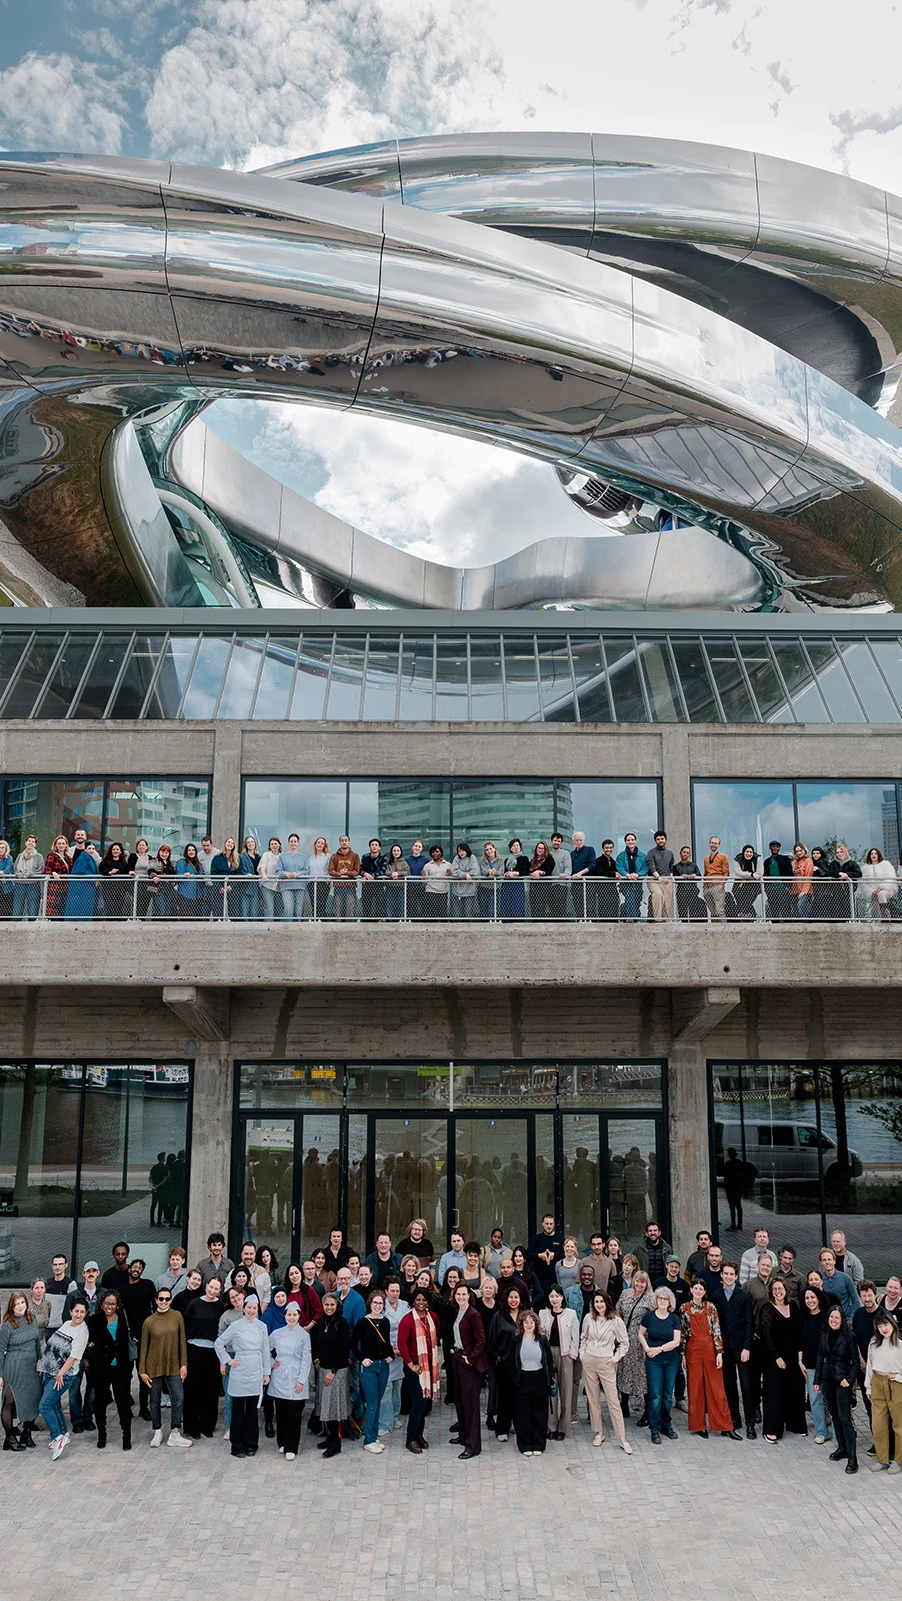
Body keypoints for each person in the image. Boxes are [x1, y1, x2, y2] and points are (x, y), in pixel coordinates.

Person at [215, 1294, 271, 1459]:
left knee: (252, 1412)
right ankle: (237, 1445)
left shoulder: (262, 1326)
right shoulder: (235, 1325)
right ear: (244, 1308)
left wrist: (266, 1372)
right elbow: (219, 1343)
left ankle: (251, 1444)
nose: (252, 1311)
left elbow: (266, 1351)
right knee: (238, 1411)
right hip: (240, 1371)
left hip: (255, 1370)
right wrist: (227, 1360)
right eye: (249, 1307)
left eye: (255, 1308)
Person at [680, 1280, 737, 1439]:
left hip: (710, 1348)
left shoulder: (710, 1307)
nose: (698, 1291)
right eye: (695, 1288)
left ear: (705, 1291)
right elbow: (683, 1333)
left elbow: (717, 1330)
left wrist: (719, 1352)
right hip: (692, 1350)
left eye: (701, 1289)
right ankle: (698, 1426)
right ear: (691, 1290)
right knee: (695, 1388)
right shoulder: (684, 1308)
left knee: (717, 1389)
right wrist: (683, 1354)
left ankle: (725, 1426)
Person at [138, 1285, 191, 1450]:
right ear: (156, 1300)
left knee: (178, 1398)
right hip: (153, 1366)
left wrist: (184, 1364)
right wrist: (141, 1371)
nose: (164, 1301)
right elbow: (143, 1347)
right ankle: (157, 1430)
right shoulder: (149, 1321)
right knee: (154, 1400)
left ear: (171, 1300)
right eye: (161, 1298)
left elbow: (182, 1342)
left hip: (174, 1364)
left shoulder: (177, 1316)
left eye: (167, 1298)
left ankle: (175, 1432)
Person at [579, 1291, 631, 1451]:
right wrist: (582, 1354)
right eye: (596, 1302)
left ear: (607, 1302)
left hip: (606, 1362)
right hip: (589, 1361)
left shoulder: (616, 1321)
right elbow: (584, 1337)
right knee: (593, 1399)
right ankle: (599, 1432)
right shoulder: (589, 1318)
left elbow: (624, 1342)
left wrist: (615, 1359)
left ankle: (622, 1438)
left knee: (613, 1400)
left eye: (602, 1301)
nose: (599, 1304)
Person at [38, 1298, 89, 1460]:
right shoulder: (67, 1324)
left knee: (44, 1406)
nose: (78, 1314)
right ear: (71, 1311)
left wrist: (60, 1373)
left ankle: (56, 1437)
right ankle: (64, 1434)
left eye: (82, 1312)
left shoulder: (82, 1332)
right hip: (51, 1371)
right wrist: (44, 1366)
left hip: (64, 1375)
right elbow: (53, 1346)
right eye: (76, 1311)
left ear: (85, 1313)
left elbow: (74, 1357)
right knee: (53, 1404)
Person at [712, 1261, 756, 1439]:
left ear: (736, 1276)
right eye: (726, 1274)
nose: (729, 1277)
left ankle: (750, 1424)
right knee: (729, 1385)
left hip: (741, 1348)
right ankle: (734, 1419)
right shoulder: (716, 1296)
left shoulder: (743, 1296)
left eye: (732, 1274)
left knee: (746, 1385)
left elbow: (749, 1323)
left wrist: (747, 1347)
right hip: (725, 1349)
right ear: (721, 1275)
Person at [85, 1290, 132, 1451]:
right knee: (100, 1400)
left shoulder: (125, 1318)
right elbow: (87, 1340)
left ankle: (127, 1434)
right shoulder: (94, 1319)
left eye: (112, 1304)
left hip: (121, 1365)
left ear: (117, 1304)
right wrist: (89, 1353)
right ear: (102, 1304)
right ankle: (102, 1433)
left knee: (123, 1400)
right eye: (107, 1303)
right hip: (101, 1366)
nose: (109, 1307)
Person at [760, 1279, 806, 1442]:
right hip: (774, 1357)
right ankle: (772, 1428)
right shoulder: (767, 1309)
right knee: (774, 1392)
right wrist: (777, 1357)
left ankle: (795, 1424)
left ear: (786, 1290)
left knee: (795, 1389)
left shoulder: (793, 1306)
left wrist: (800, 1358)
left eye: (780, 1288)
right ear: (771, 1292)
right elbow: (766, 1336)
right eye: (775, 1289)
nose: (778, 1291)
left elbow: (800, 1332)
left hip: (793, 1356)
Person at [814, 1304, 859, 1472]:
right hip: (828, 1379)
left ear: (842, 1320)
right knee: (834, 1415)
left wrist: (849, 1379)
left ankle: (853, 1457)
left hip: (842, 1381)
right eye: (831, 1317)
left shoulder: (849, 1336)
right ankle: (842, 1448)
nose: (833, 1320)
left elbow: (855, 1361)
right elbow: (820, 1355)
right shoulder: (825, 1333)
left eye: (837, 1318)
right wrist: (817, 1379)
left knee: (845, 1418)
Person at [397, 1289, 441, 1455]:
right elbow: (401, 1344)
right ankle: (411, 1438)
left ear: (428, 1301)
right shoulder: (407, 1320)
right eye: (418, 1299)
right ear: (413, 1301)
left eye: (424, 1299)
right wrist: (411, 1365)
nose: (421, 1302)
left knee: (425, 1403)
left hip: (429, 1366)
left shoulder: (433, 1317)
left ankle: (419, 1434)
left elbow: (437, 1332)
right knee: (419, 1403)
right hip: (414, 1367)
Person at [268, 1300, 312, 1460]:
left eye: (294, 1314)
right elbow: (265, 1349)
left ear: (299, 1316)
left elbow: (307, 1359)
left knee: (294, 1413)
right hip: (279, 1376)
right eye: (289, 1314)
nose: (291, 1317)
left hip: (296, 1376)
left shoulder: (304, 1335)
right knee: (280, 1413)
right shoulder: (277, 1333)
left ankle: (291, 1446)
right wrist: (272, 1363)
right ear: (285, 1315)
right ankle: (282, 1443)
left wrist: (301, 1380)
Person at [351, 1288, 393, 1453]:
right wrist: (362, 1358)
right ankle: (368, 1439)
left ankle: (374, 1436)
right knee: (373, 1403)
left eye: (380, 1303)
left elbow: (386, 1343)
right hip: (368, 1367)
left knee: (378, 1402)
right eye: (375, 1302)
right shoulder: (363, 1322)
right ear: (370, 1304)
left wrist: (391, 1355)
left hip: (383, 1366)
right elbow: (353, 1343)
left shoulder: (385, 1321)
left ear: (383, 1305)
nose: (377, 1305)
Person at [182, 1275, 224, 1439]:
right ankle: (192, 1426)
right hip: (194, 1349)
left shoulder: (220, 1306)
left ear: (220, 1291)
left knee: (210, 1390)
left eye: (216, 1288)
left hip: (212, 1352)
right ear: (206, 1286)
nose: (213, 1290)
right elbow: (186, 1326)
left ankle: (207, 1426)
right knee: (193, 1389)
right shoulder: (194, 1304)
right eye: (211, 1287)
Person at [310, 1292, 351, 1459]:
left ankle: (336, 1443)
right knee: (325, 1406)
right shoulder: (320, 1323)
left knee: (334, 1407)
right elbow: (314, 1344)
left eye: (332, 1305)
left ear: (337, 1306)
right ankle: (330, 1437)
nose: (329, 1307)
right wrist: (316, 1360)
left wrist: (333, 1371)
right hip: (323, 1370)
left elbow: (344, 1348)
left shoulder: (342, 1323)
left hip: (337, 1371)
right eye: (326, 1304)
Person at [639, 1286, 682, 1444]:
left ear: (670, 1301)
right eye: (660, 1298)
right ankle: (654, 1428)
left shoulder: (674, 1319)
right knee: (655, 1396)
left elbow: (676, 1341)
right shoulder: (649, 1317)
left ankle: (666, 1425)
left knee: (666, 1396)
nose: (663, 1301)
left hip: (670, 1360)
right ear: (656, 1300)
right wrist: (647, 1348)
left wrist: (659, 1349)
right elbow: (640, 1334)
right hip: (653, 1362)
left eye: (665, 1299)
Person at [0, 1292, 42, 1452]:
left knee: (32, 1398)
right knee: (9, 1401)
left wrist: (40, 1359)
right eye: (16, 1304)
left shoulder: (32, 1319)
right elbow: (0, 1350)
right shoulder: (6, 1325)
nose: (20, 1306)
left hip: (31, 1366)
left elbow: (37, 1342)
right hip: (13, 1367)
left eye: (22, 1303)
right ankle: (10, 1438)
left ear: (26, 1303)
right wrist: (0, 1374)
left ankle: (27, 1433)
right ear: (11, 1306)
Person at [450, 1283, 487, 1459]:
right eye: (458, 1294)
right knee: (460, 1400)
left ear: (469, 1296)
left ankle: (473, 1446)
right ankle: (463, 1436)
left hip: (468, 1362)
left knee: (471, 1404)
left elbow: (481, 1340)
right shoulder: (457, 1311)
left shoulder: (474, 1314)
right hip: (457, 1357)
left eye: (464, 1294)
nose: (461, 1297)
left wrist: (470, 1358)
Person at [511, 1308, 554, 1455]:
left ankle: (539, 1444)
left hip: (540, 1378)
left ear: (536, 1324)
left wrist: (551, 1378)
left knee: (540, 1413)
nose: (529, 1325)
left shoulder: (542, 1340)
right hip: (523, 1378)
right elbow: (511, 1360)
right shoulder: (516, 1340)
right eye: (525, 1322)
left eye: (531, 1322)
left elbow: (549, 1359)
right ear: (521, 1325)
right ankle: (525, 1444)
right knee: (523, 1413)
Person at [539, 1285, 579, 1440]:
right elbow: (540, 1334)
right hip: (548, 1355)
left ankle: (563, 1427)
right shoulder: (543, 1314)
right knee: (551, 1391)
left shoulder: (571, 1314)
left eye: (557, 1296)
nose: (554, 1299)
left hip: (565, 1354)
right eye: (551, 1296)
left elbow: (576, 1335)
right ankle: (551, 1426)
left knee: (566, 1391)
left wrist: (572, 1354)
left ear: (562, 1297)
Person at [865, 1311, 902, 1474]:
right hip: (877, 1382)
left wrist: (899, 1376)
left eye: (886, 1324)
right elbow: (869, 1366)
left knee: (898, 1425)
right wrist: (868, 1387)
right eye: (880, 1326)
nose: (883, 1328)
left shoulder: (900, 1345)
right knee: (878, 1424)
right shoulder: (873, 1343)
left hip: (895, 1384)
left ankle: (898, 1460)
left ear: (892, 1324)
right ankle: (882, 1458)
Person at [616, 1269, 654, 1425]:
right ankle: (624, 1403)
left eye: (642, 1282)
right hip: (624, 1339)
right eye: (637, 1281)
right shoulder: (625, 1294)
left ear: (647, 1284)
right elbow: (617, 1311)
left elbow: (654, 1318)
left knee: (641, 1375)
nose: (639, 1284)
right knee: (624, 1371)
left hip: (640, 1341)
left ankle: (647, 1411)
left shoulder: (650, 1299)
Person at [121, 1258, 156, 1421]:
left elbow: (156, 1308)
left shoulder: (148, 1285)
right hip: (127, 1336)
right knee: (126, 1373)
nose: (137, 1270)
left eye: (140, 1268)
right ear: (129, 1269)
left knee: (144, 1373)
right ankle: (126, 1406)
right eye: (134, 1267)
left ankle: (144, 1408)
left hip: (145, 1335)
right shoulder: (121, 1288)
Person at [800, 1286, 834, 1445]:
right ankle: (821, 1431)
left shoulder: (827, 1316)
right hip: (810, 1364)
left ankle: (838, 1433)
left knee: (832, 1399)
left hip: (828, 1363)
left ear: (818, 1298)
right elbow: (799, 1341)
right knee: (815, 1399)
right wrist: (800, 1361)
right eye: (807, 1298)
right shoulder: (803, 1317)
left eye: (812, 1297)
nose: (810, 1301)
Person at [377, 1276, 406, 1435]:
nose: (395, 1294)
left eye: (397, 1291)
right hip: (387, 1352)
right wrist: (391, 1349)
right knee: (386, 1387)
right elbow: (380, 1331)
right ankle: (384, 1422)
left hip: (401, 1353)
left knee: (397, 1387)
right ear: (386, 1291)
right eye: (392, 1291)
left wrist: (403, 1348)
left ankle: (394, 1416)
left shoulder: (405, 1305)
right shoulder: (381, 1307)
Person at [527, 1214, 564, 1302]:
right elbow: (528, 1254)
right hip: (539, 1280)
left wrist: (554, 1255)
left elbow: (565, 1255)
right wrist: (539, 1255)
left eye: (551, 1224)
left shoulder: (560, 1239)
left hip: (555, 1279)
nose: (549, 1226)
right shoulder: (536, 1239)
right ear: (542, 1224)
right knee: (538, 1307)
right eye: (546, 1223)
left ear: (554, 1224)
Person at [818, 1248, 861, 1320]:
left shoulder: (845, 1278)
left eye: (829, 1259)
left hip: (845, 1319)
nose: (827, 1262)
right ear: (821, 1262)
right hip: (826, 1320)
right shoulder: (819, 1280)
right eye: (824, 1260)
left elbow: (855, 1301)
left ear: (834, 1261)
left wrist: (850, 1320)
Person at [275, 834, 308, 920]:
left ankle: (297, 930)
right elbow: (278, 871)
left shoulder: (304, 857)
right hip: (286, 886)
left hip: (300, 886)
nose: (293, 843)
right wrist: (285, 873)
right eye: (291, 841)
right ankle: (286, 930)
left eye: (295, 841)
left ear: (298, 843)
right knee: (288, 909)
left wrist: (298, 874)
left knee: (298, 911)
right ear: (288, 843)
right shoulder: (282, 857)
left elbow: (307, 871)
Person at [328, 834, 360, 920]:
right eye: (342, 840)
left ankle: (350, 931)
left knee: (350, 912)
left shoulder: (355, 856)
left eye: (346, 840)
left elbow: (357, 871)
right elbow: (330, 871)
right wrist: (339, 873)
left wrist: (347, 873)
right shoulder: (334, 856)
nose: (344, 842)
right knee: (338, 912)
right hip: (338, 887)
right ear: (339, 842)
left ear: (349, 842)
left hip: (350, 887)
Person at [616, 832, 647, 920]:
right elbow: (619, 867)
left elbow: (645, 868)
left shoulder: (642, 856)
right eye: (628, 840)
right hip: (626, 882)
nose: (630, 842)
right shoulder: (621, 856)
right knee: (629, 898)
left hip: (637, 882)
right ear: (625, 842)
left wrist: (637, 874)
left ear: (635, 841)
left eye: (632, 840)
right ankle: (631, 918)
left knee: (637, 900)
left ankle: (635, 918)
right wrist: (627, 875)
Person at [861, 846, 898, 919]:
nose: (874, 855)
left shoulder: (886, 865)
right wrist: (871, 891)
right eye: (872, 854)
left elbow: (890, 877)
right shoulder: (865, 869)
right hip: (873, 892)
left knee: (881, 894)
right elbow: (863, 883)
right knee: (875, 902)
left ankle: (886, 917)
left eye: (875, 853)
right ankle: (878, 921)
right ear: (869, 856)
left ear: (878, 855)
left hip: (886, 889)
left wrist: (881, 888)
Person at [13, 834, 44, 921]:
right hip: (20, 884)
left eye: (33, 842)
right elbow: (15, 869)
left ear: (35, 844)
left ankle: (31, 928)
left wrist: (28, 874)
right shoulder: (20, 856)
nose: (31, 843)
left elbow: (40, 870)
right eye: (29, 841)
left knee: (32, 908)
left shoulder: (39, 856)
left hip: (33, 884)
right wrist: (19, 875)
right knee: (17, 908)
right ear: (26, 843)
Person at [646, 830, 675, 922]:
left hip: (666, 880)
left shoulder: (670, 853)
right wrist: (659, 877)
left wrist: (669, 878)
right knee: (658, 894)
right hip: (653, 879)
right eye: (658, 839)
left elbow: (671, 867)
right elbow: (652, 867)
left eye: (662, 839)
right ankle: (657, 919)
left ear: (665, 839)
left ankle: (665, 920)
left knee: (667, 900)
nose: (660, 841)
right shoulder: (651, 853)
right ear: (655, 841)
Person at [762, 840, 795, 921]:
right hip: (771, 889)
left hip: (783, 888)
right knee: (774, 911)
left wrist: (788, 886)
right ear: (770, 848)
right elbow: (765, 875)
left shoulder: (785, 859)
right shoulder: (767, 861)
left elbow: (790, 873)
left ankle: (787, 928)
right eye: (773, 846)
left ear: (779, 848)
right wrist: (766, 888)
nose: (775, 848)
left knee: (785, 910)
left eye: (777, 846)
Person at [702, 835, 730, 921]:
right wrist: (704, 885)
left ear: (719, 845)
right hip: (707, 887)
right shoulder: (706, 859)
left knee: (719, 910)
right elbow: (705, 873)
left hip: (717, 885)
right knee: (712, 912)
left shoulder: (723, 857)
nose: (713, 845)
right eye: (712, 843)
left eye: (716, 843)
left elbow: (726, 873)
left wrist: (721, 885)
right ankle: (714, 930)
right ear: (709, 844)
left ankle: (723, 931)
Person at [673, 846, 704, 920]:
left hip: (692, 891)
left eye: (687, 853)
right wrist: (682, 876)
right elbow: (674, 879)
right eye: (684, 852)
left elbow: (699, 876)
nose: (685, 854)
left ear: (689, 855)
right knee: (682, 912)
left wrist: (694, 875)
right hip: (681, 892)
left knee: (693, 912)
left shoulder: (693, 865)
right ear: (680, 853)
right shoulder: (676, 867)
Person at [450, 841, 480, 917]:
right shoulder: (456, 858)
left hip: (470, 889)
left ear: (467, 850)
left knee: (468, 913)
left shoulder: (472, 857)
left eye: (463, 851)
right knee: (457, 914)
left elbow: (475, 872)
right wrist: (465, 874)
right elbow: (454, 871)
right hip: (457, 890)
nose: (461, 853)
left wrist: (461, 874)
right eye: (459, 851)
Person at [360, 838, 388, 919]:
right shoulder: (365, 857)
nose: (374, 847)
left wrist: (369, 876)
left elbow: (382, 871)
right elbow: (360, 869)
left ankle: (379, 920)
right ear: (369, 847)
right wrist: (365, 874)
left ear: (379, 847)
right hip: (367, 885)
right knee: (366, 904)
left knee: (380, 904)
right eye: (372, 845)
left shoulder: (383, 857)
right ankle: (366, 920)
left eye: (376, 845)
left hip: (378, 885)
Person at [502, 839, 530, 919]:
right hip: (506, 884)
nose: (516, 847)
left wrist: (514, 873)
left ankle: (518, 925)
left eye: (517, 845)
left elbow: (525, 871)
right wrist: (506, 874)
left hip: (517, 884)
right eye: (513, 846)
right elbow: (504, 871)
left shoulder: (524, 858)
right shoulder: (507, 860)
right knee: (506, 905)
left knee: (518, 905)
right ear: (510, 848)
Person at [257, 836, 283, 920]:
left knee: (279, 910)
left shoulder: (282, 856)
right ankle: (268, 928)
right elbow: (262, 866)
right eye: (272, 844)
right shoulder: (266, 855)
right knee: (269, 909)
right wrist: (264, 875)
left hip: (279, 886)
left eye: (275, 843)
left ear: (279, 845)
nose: (274, 845)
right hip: (267, 885)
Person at [732, 845, 761, 918]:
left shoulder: (757, 859)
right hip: (739, 884)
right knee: (739, 899)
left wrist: (746, 878)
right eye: (747, 851)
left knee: (748, 901)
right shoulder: (738, 859)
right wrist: (751, 874)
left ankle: (753, 916)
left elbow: (759, 873)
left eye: (751, 852)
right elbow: (738, 872)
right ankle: (740, 915)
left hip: (753, 884)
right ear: (743, 852)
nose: (749, 854)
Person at [44, 835, 70, 917]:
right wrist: (53, 873)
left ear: (66, 845)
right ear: (55, 845)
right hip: (55, 886)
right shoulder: (52, 856)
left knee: (63, 909)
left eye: (63, 843)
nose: (61, 845)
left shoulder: (68, 858)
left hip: (66, 886)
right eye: (59, 843)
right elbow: (47, 870)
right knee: (53, 911)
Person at [421, 844, 450, 916]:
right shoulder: (427, 865)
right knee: (431, 913)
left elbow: (451, 878)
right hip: (431, 891)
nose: (435, 853)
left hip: (443, 891)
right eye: (433, 852)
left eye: (437, 851)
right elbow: (424, 882)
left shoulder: (448, 864)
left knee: (442, 913)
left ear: (441, 852)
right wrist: (423, 876)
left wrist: (449, 874)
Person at [721, 1147, 746, 1230]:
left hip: (732, 1187)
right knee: (737, 1205)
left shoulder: (729, 1164)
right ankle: (739, 1224)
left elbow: (725, 1175)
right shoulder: (738, 1163)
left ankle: (735, 1224)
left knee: (733, 1206)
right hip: (735, 1187)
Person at [384, 843, 410, 919]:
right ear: (391, 852)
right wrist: (391, 874)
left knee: (400, 904)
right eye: (394, 850)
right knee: (390, 904)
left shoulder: (404, 862)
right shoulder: (388, 862)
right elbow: (385, 872)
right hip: (390, 887)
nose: (396, 852)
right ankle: (390, 919)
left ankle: (401, 920)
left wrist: (398, 874)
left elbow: (407, 872)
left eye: (398, 850)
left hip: (401, 887)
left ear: (401, 852)